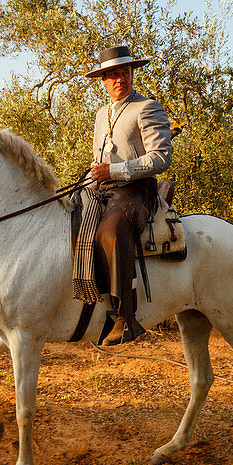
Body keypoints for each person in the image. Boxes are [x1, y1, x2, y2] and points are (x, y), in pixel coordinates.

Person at [85, 45, 172, 344]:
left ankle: (126, 317)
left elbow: (160, 157)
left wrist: (116, 171)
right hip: (103, 188)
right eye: (112, 75)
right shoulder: (100, 114)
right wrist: (90, 179)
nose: (119, 79)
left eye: (124, 72)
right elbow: (99, 159)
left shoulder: (147, 107)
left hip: (136, 190)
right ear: (104, 80)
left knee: (112, 231)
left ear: (132, 74)